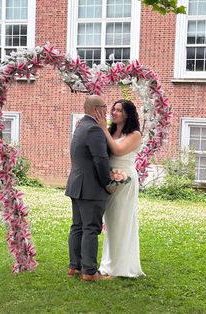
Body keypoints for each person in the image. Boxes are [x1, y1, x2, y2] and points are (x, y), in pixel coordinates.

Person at [65, 95, 115, 282]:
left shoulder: (80, 126)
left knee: (77, 226)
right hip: (91, 187)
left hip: (77, 184)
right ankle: (89, 272)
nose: (107, 111)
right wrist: (107, 184)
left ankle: (74, 267)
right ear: (96, 110)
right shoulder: (94, 129)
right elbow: (100, 160)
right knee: (91, 228)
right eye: (105, 107)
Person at [96, 99, 145, 278]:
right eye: (113, 109)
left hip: (125, 181)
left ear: (127, 114)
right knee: (111, 223)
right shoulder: (111, 131)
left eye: (119, 110)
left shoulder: (135, 134)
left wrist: (102, 128)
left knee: (121, 223)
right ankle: (108, 265)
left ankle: (120, 269)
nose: (114, 113)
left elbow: (117, 150)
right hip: (110, 180)